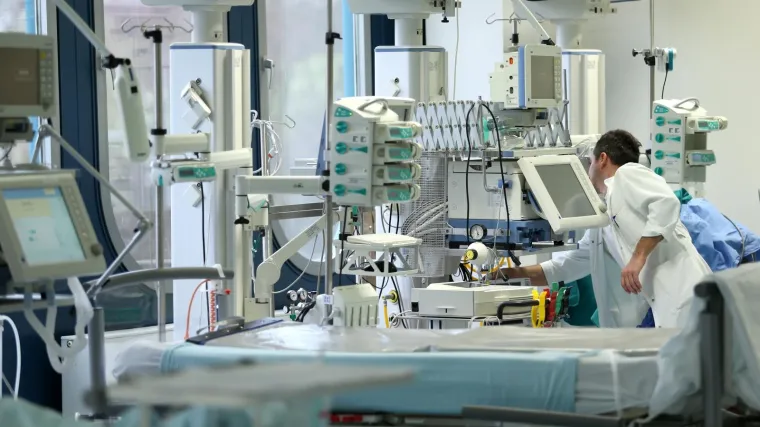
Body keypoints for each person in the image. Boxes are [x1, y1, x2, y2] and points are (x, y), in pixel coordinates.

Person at [500, 130, 712, 328]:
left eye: (590, 162)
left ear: (602, 159)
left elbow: (666, 203)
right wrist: (507, 275)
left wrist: (637, 258)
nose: (588, 170)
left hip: (687, 293)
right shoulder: (604, 222)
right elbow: (565, 266)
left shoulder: (627, 173)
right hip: (669, 302)